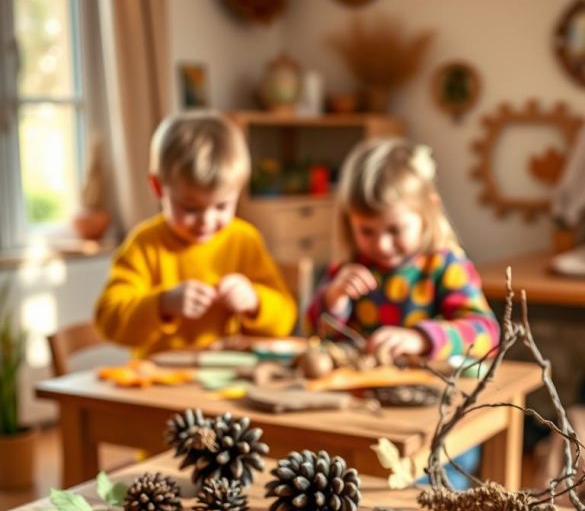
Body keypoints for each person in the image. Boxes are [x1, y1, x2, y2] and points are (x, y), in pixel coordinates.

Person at [95, 111, 296, 356]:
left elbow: (285, 319)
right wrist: (163, 304)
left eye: (222, 206)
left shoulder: (245, 240)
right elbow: (108, 322)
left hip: (229, 380)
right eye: (191, 208)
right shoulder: (144, 245)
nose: (207, 221)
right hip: (159, 385)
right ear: (158, 187)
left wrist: (254, 302)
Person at [307, 137, 499, 362]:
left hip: (431, 391)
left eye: (395, 230)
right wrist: (333, 300)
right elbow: (312, 336)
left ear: (429, 211)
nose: (382, 245)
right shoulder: (350, 267)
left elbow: (487, 333)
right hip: (359, 391)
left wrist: (421, 339)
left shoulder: (444, 265)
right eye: (367, 231)